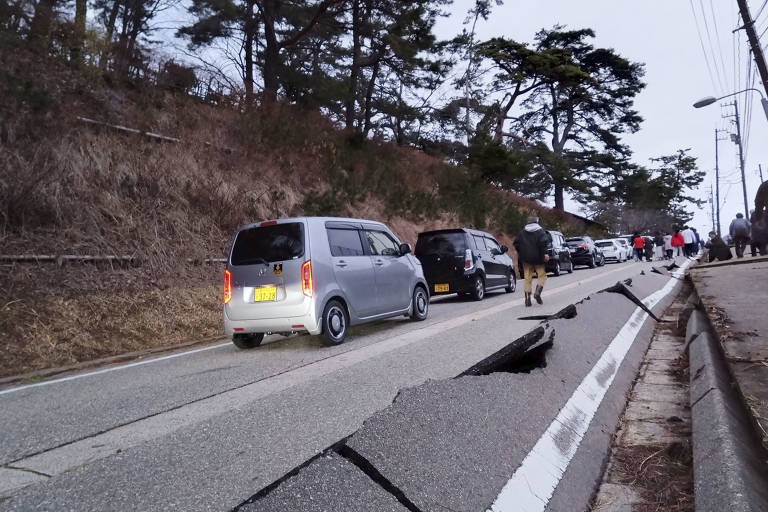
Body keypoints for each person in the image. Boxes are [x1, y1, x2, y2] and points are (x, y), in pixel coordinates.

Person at [513, 215, 552, 307]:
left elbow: (516, 244)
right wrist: (545, 254)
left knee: (527, 278)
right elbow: (543, 243)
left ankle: (527, 299)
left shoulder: (522, 233)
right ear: (536, 222)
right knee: (542, 276)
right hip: (538, 258)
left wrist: (522, 253)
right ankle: (537, 293)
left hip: (526, 259)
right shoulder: (540, 231)